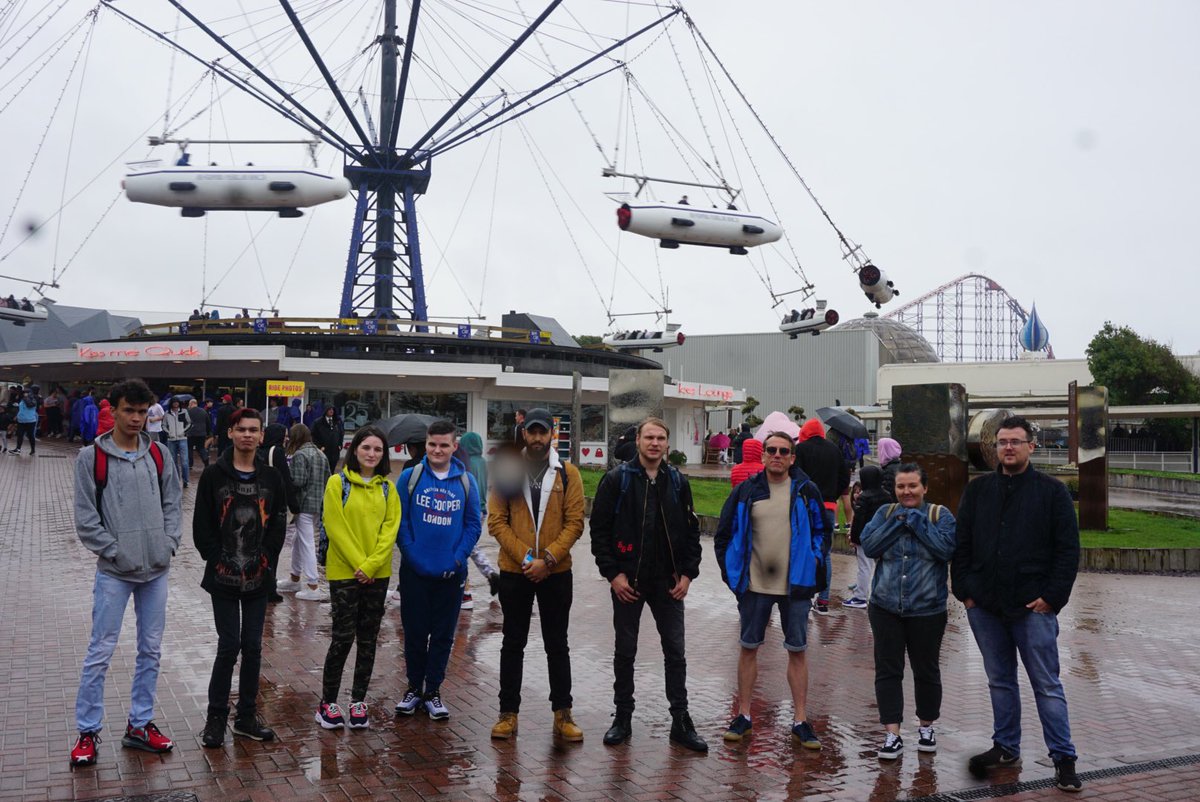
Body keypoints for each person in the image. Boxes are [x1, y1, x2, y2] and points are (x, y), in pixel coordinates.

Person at [952, 416, 1083, 793]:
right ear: (995, 448)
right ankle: (1006, 747)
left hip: (1033, 607)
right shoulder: (978, 492)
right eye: (1002, 442)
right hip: (986, 606)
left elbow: (1067, 550)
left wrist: (1053, 598)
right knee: (1000, 681)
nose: (1008, 448)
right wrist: (966, 592)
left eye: (1016, 442)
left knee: (1046, 684)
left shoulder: (1052, 492)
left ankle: (1063, 758)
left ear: (1031, 446)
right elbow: (962, 545)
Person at [70, 379, 183, 766]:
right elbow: (86, 518)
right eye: (129, 411)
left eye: (142, 412)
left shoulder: (160, 455)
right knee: (100, 651)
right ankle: (87, 731)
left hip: (156, 570)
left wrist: (168, 544)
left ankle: (140, 724)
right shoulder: (91, 458)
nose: (136, 419)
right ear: (114, 411)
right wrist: (114, 551)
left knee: (150, 650)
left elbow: (173, 503)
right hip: (115, 572)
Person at [589, 417, 707, 752]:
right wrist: (613, 575)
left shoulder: (677, 482)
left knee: (676, 652)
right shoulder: (617, 480)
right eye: (649, 437)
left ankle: (680, 720)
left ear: (667, 444)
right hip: (629, 581)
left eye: (660, 438)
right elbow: (599, 532)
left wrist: (687, 574)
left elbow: (690, 532)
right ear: (638, 441)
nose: (654, 443)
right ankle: (622, 717)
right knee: (625, 651)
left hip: (668, 582)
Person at [714, 430, 828, 749]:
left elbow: (822, 531)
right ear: (762, 455)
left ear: (792, 457)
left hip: (796, 586)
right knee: (749, 647)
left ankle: (801, 720)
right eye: (771, 450)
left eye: (783, 451)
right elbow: (724, 535)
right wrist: (732, 574)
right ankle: (744, 715)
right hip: (754, 586)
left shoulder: (806, 491)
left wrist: (813, 561)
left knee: (797, 651)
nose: (776, 455)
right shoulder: (747, 491)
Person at [486, 409, 586, 742]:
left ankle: (563, 713)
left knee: (558, 644)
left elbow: (575, 522)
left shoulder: (568, 474)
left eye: (544, 432)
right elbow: (497, 521)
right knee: (513, 643)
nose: (538, 438)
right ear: (524, 434)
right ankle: (507, 714)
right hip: (515, 570)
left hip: (557, 572)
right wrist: (528, 558)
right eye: (533, 432)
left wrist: (549, 559)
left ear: (552, 435)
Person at [193, 408, 288, 748]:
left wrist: (267, 557)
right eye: (241, 429)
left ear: (262, 436)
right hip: (223, 577)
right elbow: (202, 525)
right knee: (228, 645)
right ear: (230, 433)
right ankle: (216, 717)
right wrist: (217, 558)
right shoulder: (214, 475)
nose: (248, 435)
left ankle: (246, 716)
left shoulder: (272, 477)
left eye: (254, 429)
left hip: (258, 577)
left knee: (252, 646)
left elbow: (278, 520)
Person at [860, 463, 957, 759]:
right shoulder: (885, 514)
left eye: (912, 486)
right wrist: (898, 521)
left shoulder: (940, 516)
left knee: (926, 670)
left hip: (927, 608)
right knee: (888, 670)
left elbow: (945, 550)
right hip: (885, 606)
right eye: (901, 486)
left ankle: (926, 726)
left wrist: (915, 521)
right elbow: (870, 544)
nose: (906, 491)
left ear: (924, 488)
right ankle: (892, 734)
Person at [394, 420, 482, 721]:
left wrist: (458, 558)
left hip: (451, 574)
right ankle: (413, 689)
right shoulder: (410, 477)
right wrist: (412, 554)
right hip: (414, 572)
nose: (437, 450)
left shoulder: (467, 481)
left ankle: (432, 691)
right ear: (426, 444)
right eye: (433, 444)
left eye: (444, 445)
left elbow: (473, 525)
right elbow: (399, 521)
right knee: (415, 634)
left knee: (444, 636)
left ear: (454, 447)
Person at [315, 426, 401, 730]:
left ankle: (358, 701)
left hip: (378, 574)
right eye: (366, 448)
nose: (372, 454)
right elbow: (334, 526)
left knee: (368, 639)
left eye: (378, 449)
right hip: (345, 573)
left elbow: (390, 530)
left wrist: (373, 564)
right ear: (355, 450)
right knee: (342, 637)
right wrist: (359, 565)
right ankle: (327, 702)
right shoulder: (337, 483)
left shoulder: (388, 489)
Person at [794, 418, 849, 615]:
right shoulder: (835, 450)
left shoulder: (801, 449)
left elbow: (795, 475)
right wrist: (832, 495)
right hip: (828, 507)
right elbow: (845, 478)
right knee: (825, 554)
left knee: (802, 549)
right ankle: (824, 600)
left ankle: (804, 597)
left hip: (805, 507)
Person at [280, 424, 332, 601]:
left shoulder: (300, 455)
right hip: (319, 503)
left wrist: (285, 478)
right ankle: (294, 577)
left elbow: (298, 482)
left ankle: (312, 584)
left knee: (307, 542)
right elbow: (328, 478)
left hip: (304, 505)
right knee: (298, 540)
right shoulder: (320, 454)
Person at [258, 423, 301, 601]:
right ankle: (269, 588)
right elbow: (285, 479)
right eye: (284, 434)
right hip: (275, 507)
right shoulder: (277, 452)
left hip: (260, 505)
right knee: (273, 548)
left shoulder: (260, 450)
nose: (287, 438)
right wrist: (294, 505)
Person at [459, 431, 500, 606]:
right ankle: (490, 574)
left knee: (465, 548)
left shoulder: (465, 463)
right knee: (470, 547)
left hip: (471, 510)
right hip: (483, 509)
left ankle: (466, 590)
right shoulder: (483, 462)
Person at [845, 466, 891, 609]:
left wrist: (854, 538)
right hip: (882, 536)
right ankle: (882, 594)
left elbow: (859, 520)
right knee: (881, 566)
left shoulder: (864, 497)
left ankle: (860, 597)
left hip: (865, 537)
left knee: (864, 567)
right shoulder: (887, 495)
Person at [162, 397, 191, 488]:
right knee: (173, 462)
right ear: (171, 403)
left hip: (182, 438)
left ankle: (186, 480)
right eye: (174, 402)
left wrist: (184, 431)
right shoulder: (167, 413)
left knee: (184, 462)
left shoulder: (184, 411)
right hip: (171, 440)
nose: (176, 404)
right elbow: (163, 425)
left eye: (177, 402)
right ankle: (176, 480)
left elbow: (189, 423)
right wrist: (168, 432)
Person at [312, 405, 344, 473]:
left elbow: (341, 433)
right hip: (323, 451)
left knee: (332, 470)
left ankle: (331, 481)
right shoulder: (318, 422)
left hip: (335, 451)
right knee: (324, 471)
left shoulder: (337, 421)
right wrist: (319, 447)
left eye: (332, 409)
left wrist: (340, 445)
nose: (331, 411)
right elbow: (313, 436)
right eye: (329, 409)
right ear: (325, 410)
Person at [12, 386, 38, 455]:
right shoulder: (23, 399)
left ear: (30, 393)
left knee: (30, 436)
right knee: (20, 435)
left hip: (30, 421)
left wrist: (26, 397)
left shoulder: (33, 399)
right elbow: (21, 409)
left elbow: (30, 405)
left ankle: (33, 450)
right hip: (21, 421)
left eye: (26, 392)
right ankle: (18, 449)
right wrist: (17, 416)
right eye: (24, 392)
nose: (24, 393)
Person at [186, 398, 211, 469]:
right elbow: (208, 422)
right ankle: (206, 461)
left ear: (191, 404)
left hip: (190, 433)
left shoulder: (188, 412)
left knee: (189, 448)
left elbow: (184, 422)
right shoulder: (203, 411)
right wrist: (208, 433)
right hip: (201, 434)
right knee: (201, 448)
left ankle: (190, 464)